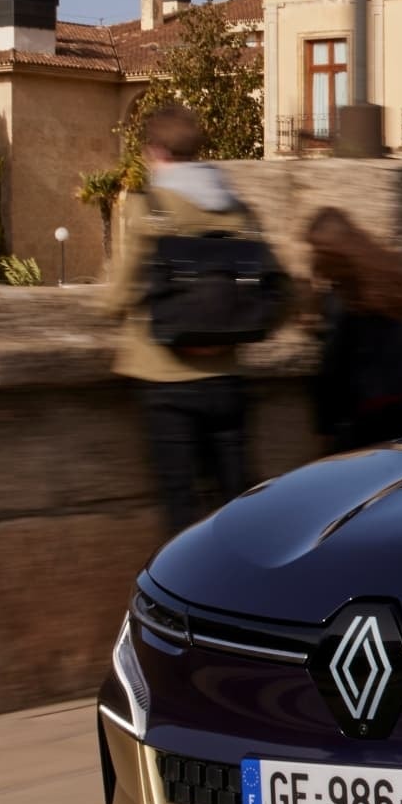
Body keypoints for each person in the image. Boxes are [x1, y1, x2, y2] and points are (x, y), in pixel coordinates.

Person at [107, 104, 287, 533]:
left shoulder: (149, 207)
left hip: (164, 378)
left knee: (180, 503)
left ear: (154, 150)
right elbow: (280, 289)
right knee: (236, 501)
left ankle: (186, 593)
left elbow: (119, 293)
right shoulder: (239, 210)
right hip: (226, 376)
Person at [304, 208, 402, 454]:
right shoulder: (385, 280)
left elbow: (333, 367)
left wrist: (323, 427)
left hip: (364, 413)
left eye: (316, 250)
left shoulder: (345, 296)